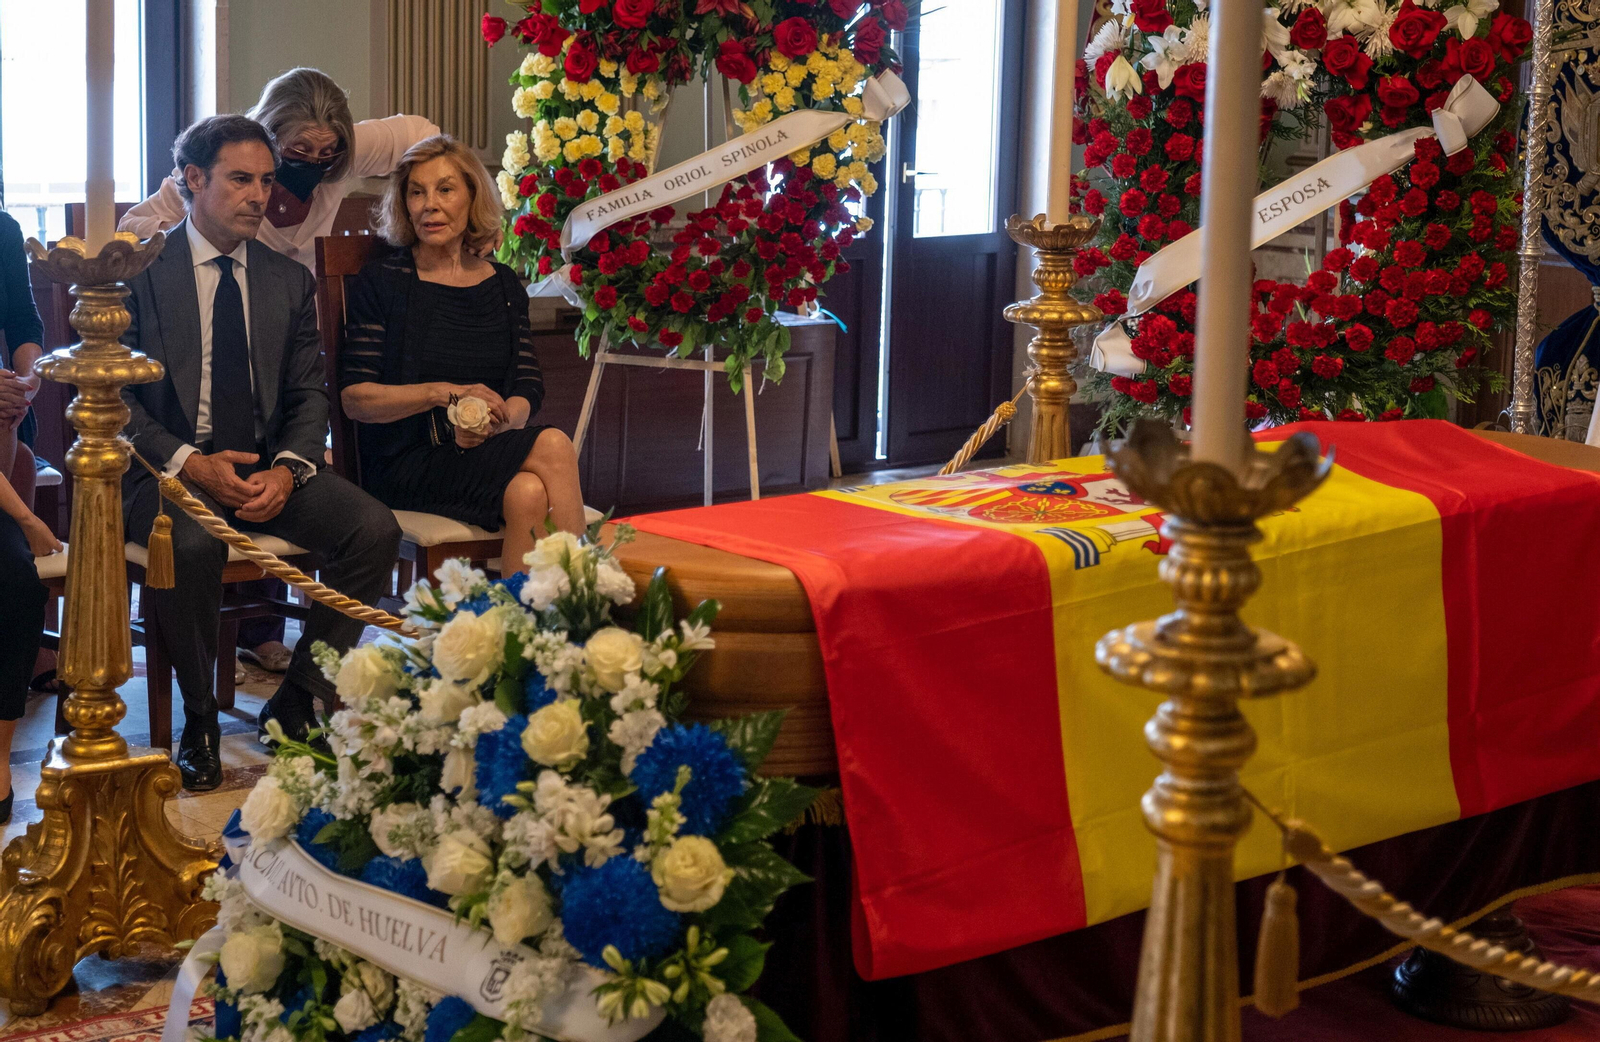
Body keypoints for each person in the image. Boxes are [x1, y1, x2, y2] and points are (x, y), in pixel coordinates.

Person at [121, 69, 437, 677]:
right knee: (192, 542)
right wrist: (190, 462)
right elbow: (119, 402)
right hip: (177, 464)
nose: (264, 193)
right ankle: (199, 718)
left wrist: (291, 469)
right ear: (196, 180)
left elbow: (308, 394)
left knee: (372, 529)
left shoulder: (292, 279)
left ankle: (300, 700)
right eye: (244, 178)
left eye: (268, 180)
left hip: (265, 448)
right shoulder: (153, 259)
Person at [339, 135, 584, 569]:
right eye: (417, 192)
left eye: (445, 189)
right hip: (404, 463)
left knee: (527, 491)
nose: (429, 204)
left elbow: (527, 385)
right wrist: (442, 393)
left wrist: (495, 423)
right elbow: (355, 399)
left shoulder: (504, 284)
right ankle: (585, 602)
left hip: (481, 452)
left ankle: (521, 630)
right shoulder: (384, 281)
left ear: (472, 196)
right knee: (555, 444)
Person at [0, 203, 59, 822]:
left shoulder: (2, 230)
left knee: (15, 581)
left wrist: (23, 382)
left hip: (0, 436)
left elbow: (23, 322)